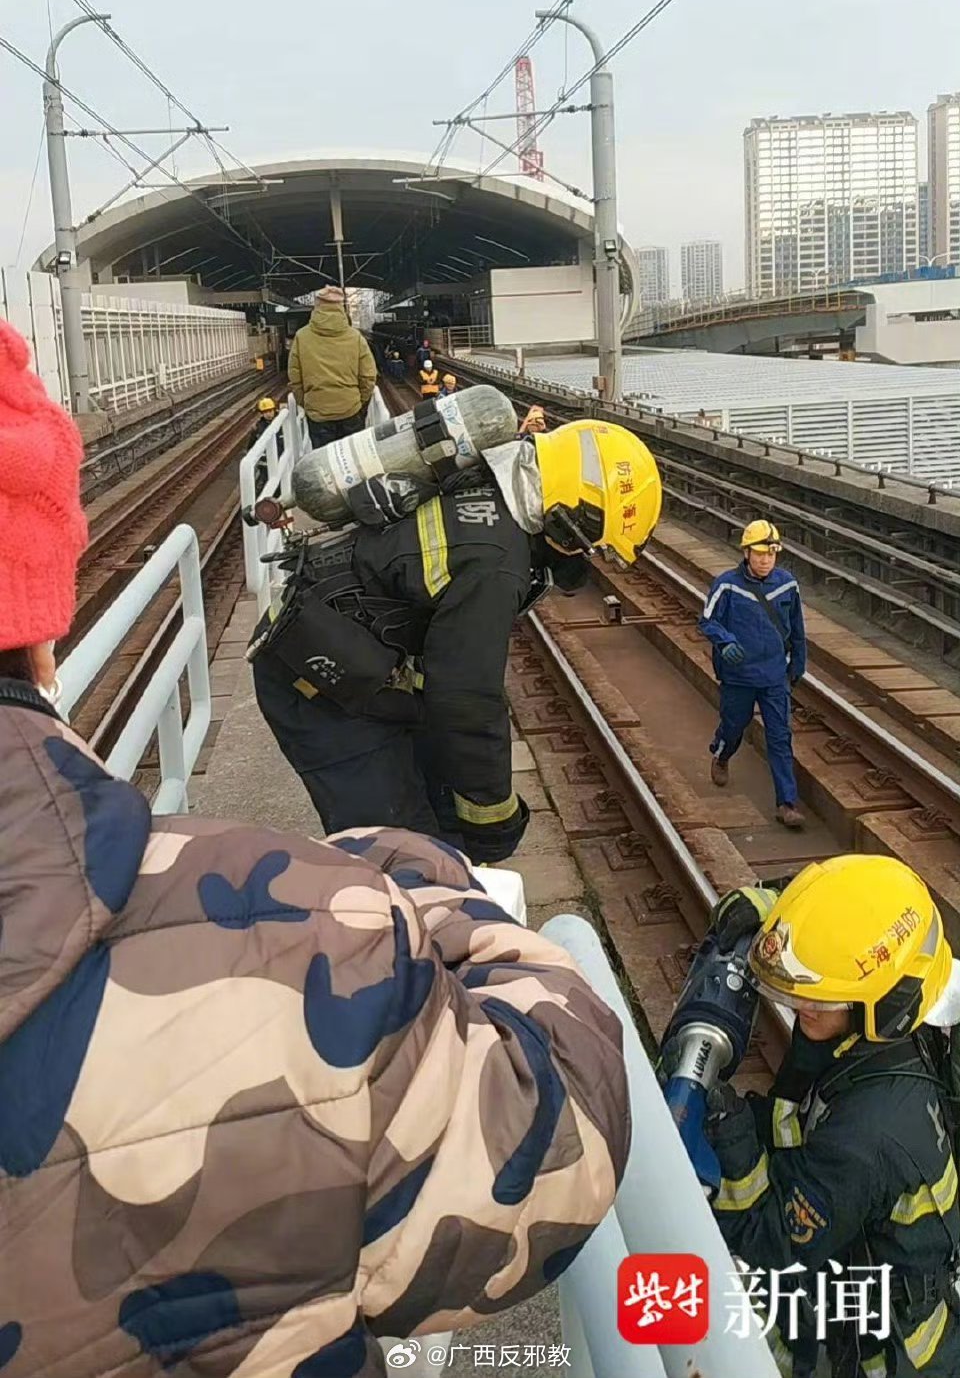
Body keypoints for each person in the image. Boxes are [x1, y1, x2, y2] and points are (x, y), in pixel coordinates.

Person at [0, 314, 632, 1375]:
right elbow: (552, 1152)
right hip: (326, 705)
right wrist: (440, 884)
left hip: (311, 666)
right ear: (41, 625)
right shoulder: (294, 963)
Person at [252, 417, 662, 858]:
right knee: (403, 855)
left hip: (348, 644)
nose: (581, 559)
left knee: (432, 801)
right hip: (317, 686)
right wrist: (494, 819)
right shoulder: (496, 565)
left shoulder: (483, 478)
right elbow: (468, 699)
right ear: (567, 520)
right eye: (587, 545)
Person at [703, 857, 960, 1378]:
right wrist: (768, 908)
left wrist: (728, 1131)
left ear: (884, 1003)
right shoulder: (907, 1016)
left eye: (819, 1000)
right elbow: (848, 909)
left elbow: (767, 1243)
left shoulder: (865, 1139)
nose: (802, 1008)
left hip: (886, 1353)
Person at [699, 518, 807, 831]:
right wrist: (726, 641)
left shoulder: (787, 584)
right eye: (759, 554)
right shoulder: (727, 585)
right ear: (747, 553)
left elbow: (797, 628)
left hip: (774, 675)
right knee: (734, 725)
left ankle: (786, 803)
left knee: (780, 737)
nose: (764, 560)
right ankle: (721, 754)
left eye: (770, 554)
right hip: (739, 676)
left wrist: (798, 662)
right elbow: (707, 621)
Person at [288, 284, 377, 450]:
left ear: (317, 306)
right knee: (353, 460)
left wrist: (308, 403)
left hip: (318, 413)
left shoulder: (301, 337)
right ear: (341, 307)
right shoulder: (355, 337)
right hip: (350, 410)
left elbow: (295, 378)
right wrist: (359, 402)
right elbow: (368, 377)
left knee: (325, 464)